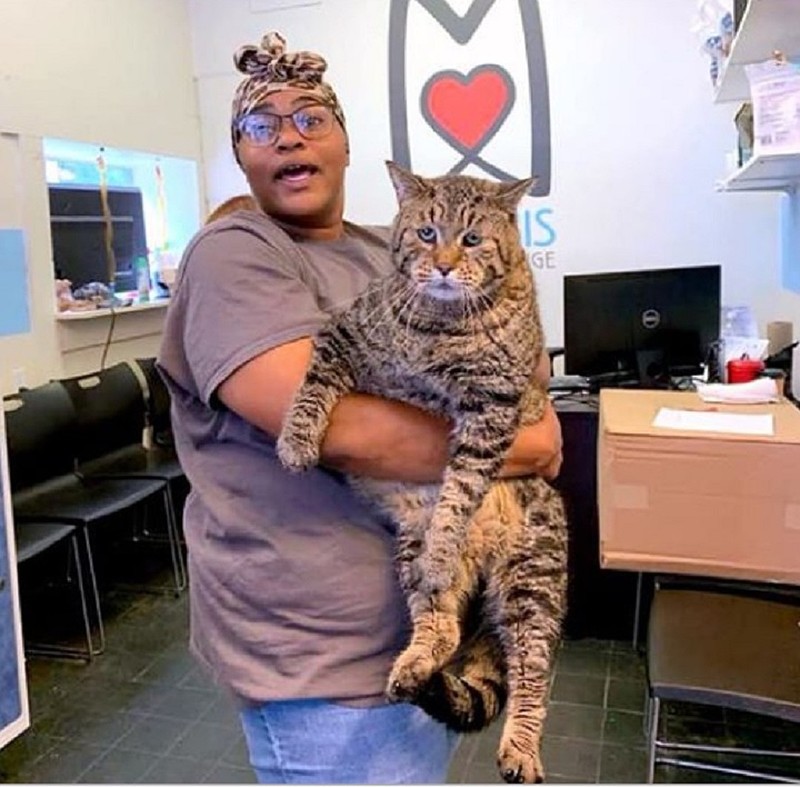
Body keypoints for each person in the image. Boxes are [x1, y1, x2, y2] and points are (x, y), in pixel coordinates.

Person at [157, 30, 563, 785]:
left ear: (345, 143)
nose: (288, 136)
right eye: (260, 126)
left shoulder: (388, 246)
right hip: (325, 675)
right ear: (240, 157)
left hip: (422, 627)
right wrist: (524, 443)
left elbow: (518, 365)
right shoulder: (235, 253)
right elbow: (341, 430)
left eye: (311, 118)